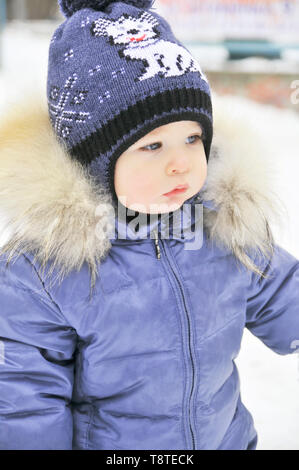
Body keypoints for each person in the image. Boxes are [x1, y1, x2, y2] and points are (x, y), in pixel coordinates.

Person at [0, 0, 298, 451]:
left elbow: (284, 297)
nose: (181, 163)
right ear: (94, 160)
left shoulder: (224, 229)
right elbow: (23, 402)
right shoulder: (45, 270)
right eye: (153, 145)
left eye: (193, 138)